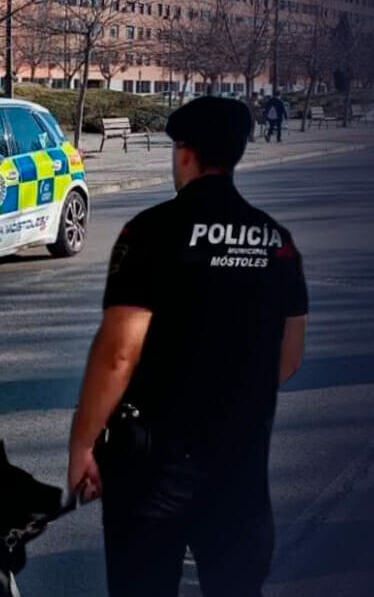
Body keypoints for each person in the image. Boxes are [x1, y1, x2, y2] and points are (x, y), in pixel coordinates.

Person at [66, 96, 308, 597]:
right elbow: (288, 357)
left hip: (152, 470)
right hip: (239, 471)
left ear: (184, 153)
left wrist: (83, 444)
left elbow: (119, 354)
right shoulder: (276, 241)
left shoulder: (151, 232)